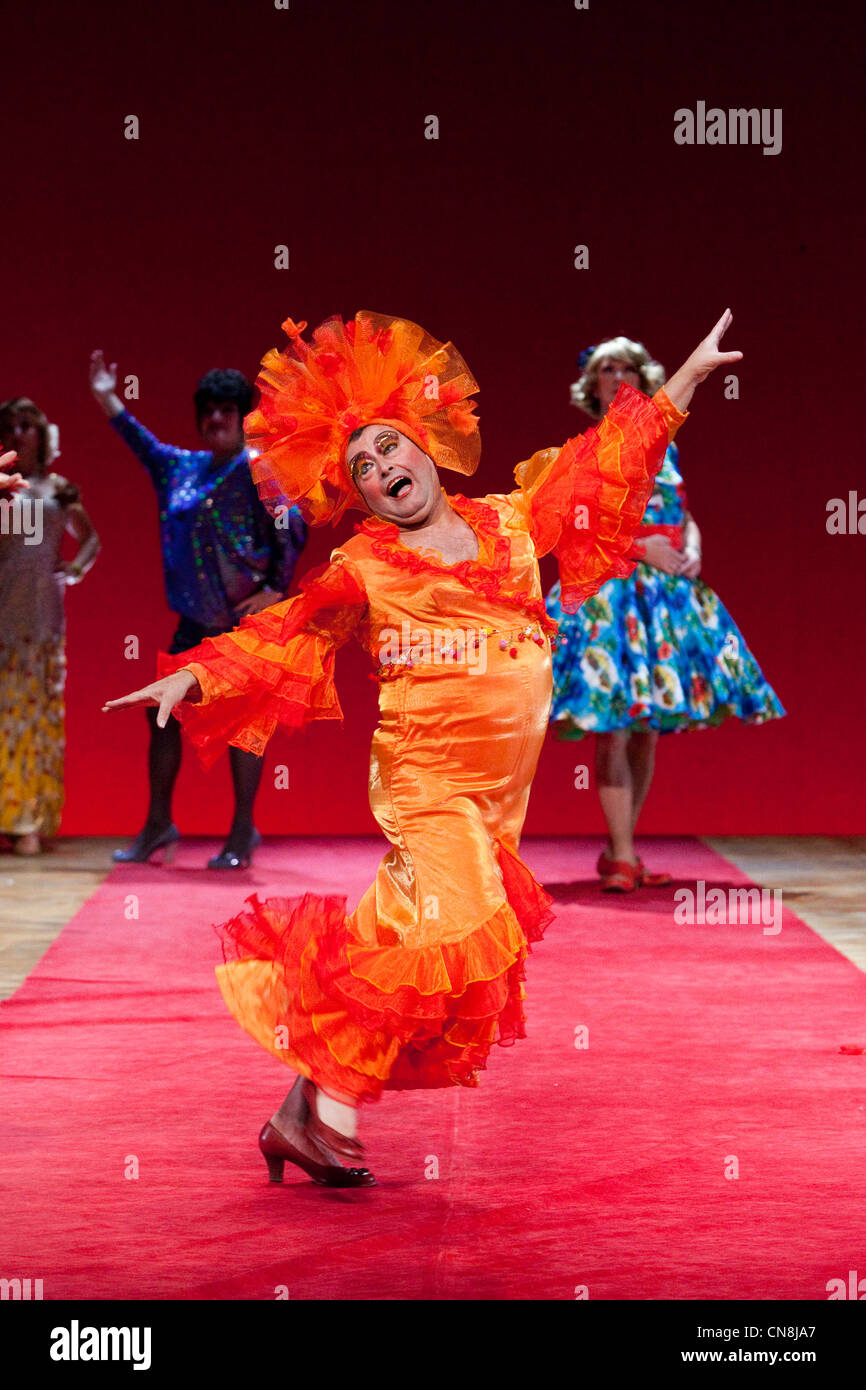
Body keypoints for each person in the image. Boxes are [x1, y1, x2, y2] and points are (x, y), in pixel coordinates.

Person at [103, 307, 740, 1187]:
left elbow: (604, 463)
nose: (381, 470)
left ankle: (297, 1115)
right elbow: (292, 630)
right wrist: (194, 676)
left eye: (389, 450)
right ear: (357, 495)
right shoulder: (366, 568)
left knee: (399, 942)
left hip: (497, 798)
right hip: (426, 783)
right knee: (454, 930)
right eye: (361, 467)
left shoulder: (516, 523)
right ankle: (331, 1118)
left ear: (426, 448)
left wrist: (686, 382)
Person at [545, 336, 784, 891]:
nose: (618, 375)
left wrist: (694, 547)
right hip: (612, 594)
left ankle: (620, 848)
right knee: (613, 723)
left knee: (646, 728)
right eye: (607, 368)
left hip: (668, 598)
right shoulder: (586, 448)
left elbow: (684, 513)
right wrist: (638, 550)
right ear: (592, 384)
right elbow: (573, 527)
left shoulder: (666, 447)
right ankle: (624, 854)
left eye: (627, 367)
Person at [89, 354, 308, 867]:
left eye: (226, 410)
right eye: (207, 410)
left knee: (244, 725)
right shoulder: (179, 468)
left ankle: (241, 833)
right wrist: (106, 396)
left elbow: (292, 524)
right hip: (194, 622)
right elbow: (138, 439)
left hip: (242, 626)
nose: (215, 419)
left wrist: (277, 587)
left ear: (242, 416)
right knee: (162, 716)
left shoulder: (258, 468)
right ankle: (159, 825)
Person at [0, 401, 100, 855]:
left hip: (43, 622)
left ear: (41, 433)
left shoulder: (60, 491)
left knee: (35, 719)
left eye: (27, 426)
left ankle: (27, 821)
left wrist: (75, 568)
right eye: (11, 427)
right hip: (4, 616)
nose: (20, 433)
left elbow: (92, 538)